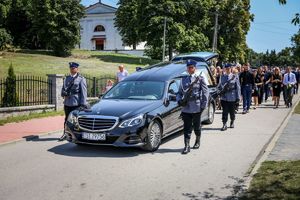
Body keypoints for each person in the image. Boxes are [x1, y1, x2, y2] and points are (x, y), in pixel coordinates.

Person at [176, 60, 209, 154]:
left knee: (197, 127)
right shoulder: (183, 79)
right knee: (186, 127)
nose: (190, 69)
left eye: (191, 67)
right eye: (188, 67)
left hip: (197, 107)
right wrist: (179, 100)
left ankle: (197, 140)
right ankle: (187, 146)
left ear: (195, 68)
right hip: (186, 107)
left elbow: (206, 92)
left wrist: (203, 105)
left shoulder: (200, 78)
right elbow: (179, 93)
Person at [59, 62, 88, 141]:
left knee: (76, 120)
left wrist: (83, 104)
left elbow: (84, 92)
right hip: (67, 102)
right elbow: (63, 88)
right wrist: (63, 94)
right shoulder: (66, 78)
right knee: (66, 119)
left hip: (76, 103)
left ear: (77, 69)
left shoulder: (81, 79)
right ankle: (65, 133)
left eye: (73, 68)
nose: (72, 69)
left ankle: (78, 135)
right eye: (71, 68)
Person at [218, 64, 241, 131]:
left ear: (231, 68)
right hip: (224, 97)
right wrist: (219, 92)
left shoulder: (234, 76)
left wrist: (238, 97)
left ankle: (232, 121)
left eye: (229, 68)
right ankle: (224, 124)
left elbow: (238, 87)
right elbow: (219, 86)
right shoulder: (222, 77)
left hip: (232, 96)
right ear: (225, 69)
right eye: (226, 68)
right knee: (224, 111)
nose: (227, 69)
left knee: (232, 111)